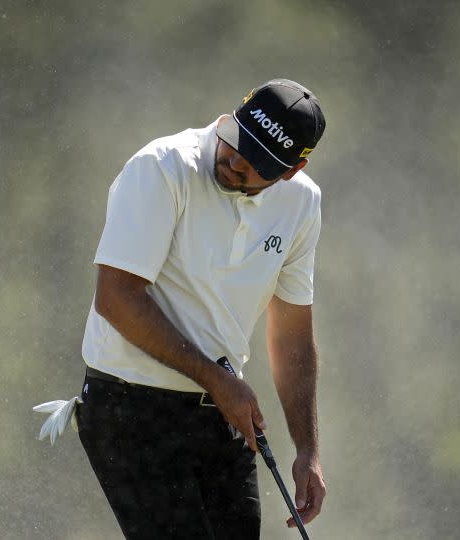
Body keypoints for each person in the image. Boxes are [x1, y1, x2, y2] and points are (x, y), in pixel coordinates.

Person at [41, 79, 327, 539]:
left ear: (291, 170)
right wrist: (218, 380)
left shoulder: (301, 204)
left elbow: (292, 337)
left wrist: (307, 451)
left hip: (218, 415)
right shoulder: (162, 168)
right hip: (130, 406)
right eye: (237, 141)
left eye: (255, 162)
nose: (234, 160)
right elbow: (117, 298)